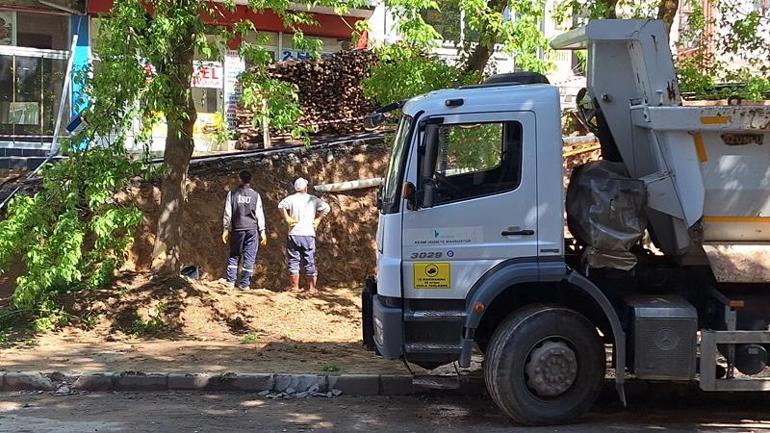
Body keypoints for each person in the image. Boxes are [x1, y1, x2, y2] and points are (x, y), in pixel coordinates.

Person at [278, 177, 331, 293]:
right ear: (306, 187)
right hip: (308, 234)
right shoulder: (313, 199)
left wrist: (287, 218)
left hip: (294, 233)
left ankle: (294, 287)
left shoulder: (290, 199)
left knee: (294, 260)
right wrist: (318, 219)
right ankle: (312, 288)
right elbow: (327, 208)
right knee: (309, 259)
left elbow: (280, 206)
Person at [222, 170, 267, 289]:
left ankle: (230, 282)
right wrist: (262, 231)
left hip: (237, 229)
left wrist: (226, 229)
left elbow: (228, 213)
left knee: (234, 254)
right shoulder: (255, 195)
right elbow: (259, 214)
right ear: (250, 180)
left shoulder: (232, 194)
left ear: (240, 179)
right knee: (249, 256)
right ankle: (244, 284)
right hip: (252, 229)